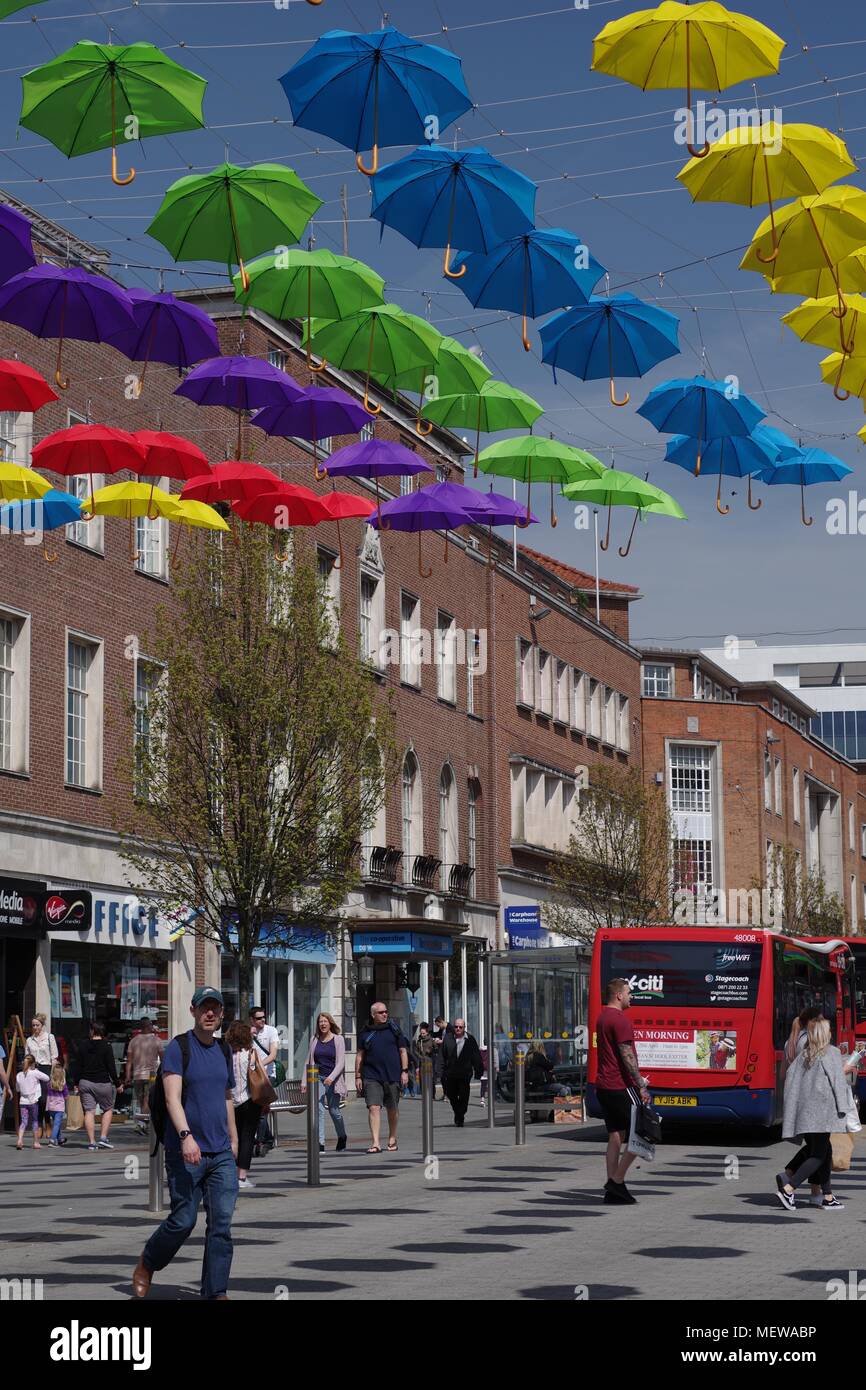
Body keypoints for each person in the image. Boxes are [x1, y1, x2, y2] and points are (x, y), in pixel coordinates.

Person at [133, 986, 239, 1300]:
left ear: (221, 1014)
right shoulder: (179, 1047)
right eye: (204, 1008)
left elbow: (227, 1095)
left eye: (215, 1009)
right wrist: (185, 1136)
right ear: (192, 1010)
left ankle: (215, 1291)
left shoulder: (224, 1050)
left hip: (220, 1153)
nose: (210, 1013)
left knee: (221, 1224)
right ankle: (148, 1262)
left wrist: (234, 1140)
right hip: (186, 1151)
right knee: (183, 1220)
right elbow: (171, 1098)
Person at [777, 1016, 851, 1211]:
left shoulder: (805, 1055)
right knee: (818, 1155)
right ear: (825, 1033)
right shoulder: (832, 1052)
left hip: (806, 1113)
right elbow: (837, 1082)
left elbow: (791, 1081)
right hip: (822, 1112)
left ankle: (827, 1196)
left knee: (825, 1151)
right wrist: (844, 1109)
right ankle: (789, 1189)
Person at [595, 978, 651, 1205]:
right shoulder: (620, 1020)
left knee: (616, 1135)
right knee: (644, 1132)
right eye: (629, 992)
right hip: (620, 1086)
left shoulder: (602, 1017)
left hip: (603, 1086)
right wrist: (641, 1084)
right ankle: (616, 1181)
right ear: (618, 995)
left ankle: (612, 1192)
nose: (631, 996)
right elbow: (627, 1055)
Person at [355, 1002, 410, 1154]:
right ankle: (376, 1142)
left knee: (392, 1108)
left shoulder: (394, 1030)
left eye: (386, 1011)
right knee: (374, 1107)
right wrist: (358, 1076)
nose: (385, 1014)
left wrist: (404, 1071)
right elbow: (359, 1056)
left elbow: (403, 1051)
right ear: (373, 1015)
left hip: (392, 1075)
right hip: (371, 1075)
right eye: (381, 1012)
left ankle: (392, 1137)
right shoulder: (365, 1032)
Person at [70, 1020, 122, 1151]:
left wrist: (76, 1082)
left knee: (89, 1111)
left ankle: (92, 1142)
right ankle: (103, 1138)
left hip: (85, 1082)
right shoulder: (106, 1046)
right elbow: (111, 1067)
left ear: (92, 1031)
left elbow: (78, 1066)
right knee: (108, 1109)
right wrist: (117, 1083)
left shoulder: (82, 1045)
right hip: (103, 1083)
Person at [225, 1019, 263, 1190]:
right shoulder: (251, 1053)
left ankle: (229, 1173)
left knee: (232, 1138)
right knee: (247, 1138)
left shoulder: (225, 1054)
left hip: (229, 1102)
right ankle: (242, 1177)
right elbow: (261, 1077)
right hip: (249, 1100)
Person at [303, 1012, 347, 1152]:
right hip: (317, 1078)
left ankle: (342, 1136)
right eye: (320, 1022)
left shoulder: (338, 1039)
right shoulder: (314, 1039)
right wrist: (304, 1081)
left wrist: (331, 1078)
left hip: (333, 1080)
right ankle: (320, 1142)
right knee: (319, 1110)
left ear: (330, 1023)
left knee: (334, 1111)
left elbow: (341, 1063)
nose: (323, 1024)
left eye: (325, 1021)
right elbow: (309, 1061)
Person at [125, 1017, 165, 1135]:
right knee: (147, 1100)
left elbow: (129, 1061)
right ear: (148, 1026)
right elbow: (163, 1059)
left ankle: (141, 1123)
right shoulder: (156, 1040)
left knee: (141, 1100)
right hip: (151, 1075)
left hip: (137, 1075)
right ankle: (143, 1124)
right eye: (151, 1024)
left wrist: (127, 1076)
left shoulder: (134, 1041)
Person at [441, 1018, 484, 1127]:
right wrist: (440, 1070)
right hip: (451, 1073)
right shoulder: (448, 1038)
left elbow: (476, 1056)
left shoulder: (470, 1039)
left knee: (464, 1096)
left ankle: (460, 1115)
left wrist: (479, 1070)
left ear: (464, 1028)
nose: (458, 1029)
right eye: (456, 1027)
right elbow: (442, 1056)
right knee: (451, 1095)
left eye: (460, 1027)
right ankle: (458, 1112)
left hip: (465, 1073)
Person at [249, 1006, 279, 1155]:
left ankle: (261, 1142)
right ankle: (268, 1138)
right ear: (252, 1020)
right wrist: (248, 1036)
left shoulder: (271, 1031)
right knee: (254, 1110)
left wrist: (258, 1066)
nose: (262, 1020)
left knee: (261, 1110)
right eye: (258, 1018)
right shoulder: (247, 1032)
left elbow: (273, 1055)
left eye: (263, 1017)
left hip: (268, 1076)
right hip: (252, 1077)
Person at [25, 1014, 58, 1139]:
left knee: (45, 1098)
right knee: (36, 1099)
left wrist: (53, 1073)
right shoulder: (29, 1040)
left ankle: (47, 1121)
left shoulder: (50, 1038)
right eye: (33, 1025)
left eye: (37, 1025)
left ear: (42, 1025)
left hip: (46, 1068)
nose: (35, 1027)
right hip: (34, 1069)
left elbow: (54, 1056)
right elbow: (27, 1057)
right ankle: (39, 1124)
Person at [16, 1055, 49, 1150]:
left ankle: (19, 1140)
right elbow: (46, 1078)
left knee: (24, 1121)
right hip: (33, 1101)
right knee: (34, 1121)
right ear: (33, 1063)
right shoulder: (35, 1073)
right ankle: (36, 1142)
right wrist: (37, 1070)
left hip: (22, 1102)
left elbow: (18, 1089)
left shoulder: (19, 1075)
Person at [46, 1063, 69, 1146]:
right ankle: (52, 1140)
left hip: (51, 1107)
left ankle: (60, 1139)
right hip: (59, 1108)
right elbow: (66, 1097)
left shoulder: (49, 1084)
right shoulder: (63, 1085)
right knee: (56, 1124)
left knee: (56, 1123)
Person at [430, 1017, 450, 1100]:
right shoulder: (442, 1030)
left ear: (441, 1022)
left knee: (447, 1076)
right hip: (443, 1055)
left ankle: (448, 1094)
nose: (438, 1027)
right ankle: (445, 1093)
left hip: (449, 1056)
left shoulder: (450, 1028)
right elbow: (437, 1034)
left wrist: (441, 1041)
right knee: (442, 1076)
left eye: (438, 1025)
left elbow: (451, 1040)